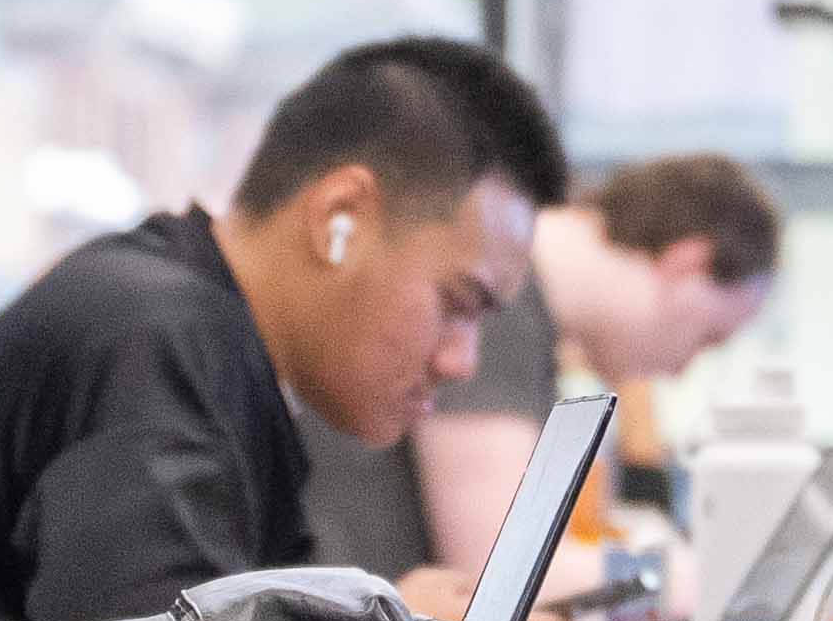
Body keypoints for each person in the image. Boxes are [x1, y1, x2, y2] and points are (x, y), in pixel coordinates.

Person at [0, 33, 564, 621]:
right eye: (457, 303)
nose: (462, 361)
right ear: (341, 217)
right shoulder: (157, 339)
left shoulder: (209, 344)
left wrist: (390, 619)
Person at [307, 146, 789, 587]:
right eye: (707, 338)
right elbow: (499, 573)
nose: (683, 369)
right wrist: (711, 584)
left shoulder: (524, 314)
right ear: (687, 263)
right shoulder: (496, 300)